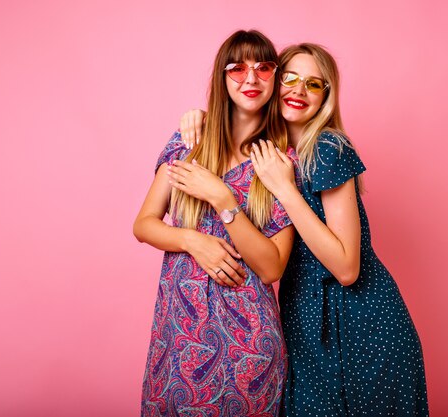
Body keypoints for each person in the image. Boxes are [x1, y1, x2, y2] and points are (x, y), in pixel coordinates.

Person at [180, 43, 429, 416]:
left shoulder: (327, 147)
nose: (298, 90)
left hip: (361, 322)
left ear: (326, 97)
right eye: (290, 78)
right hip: (303, 321)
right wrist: (202, 116)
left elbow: (347, 269)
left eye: (313, 84)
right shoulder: (269, 150)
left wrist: (284, 188)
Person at [133, 30, 296, 416]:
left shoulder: (278, 162)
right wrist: (192, 240)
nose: (251, 79)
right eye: (237, 68)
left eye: (264, 67)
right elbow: (143, 224)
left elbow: (272, 266)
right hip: (176, 338)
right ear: (222, 80)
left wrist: (224, 200)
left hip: (249, 350)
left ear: (275, 77)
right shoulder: (190, 142)